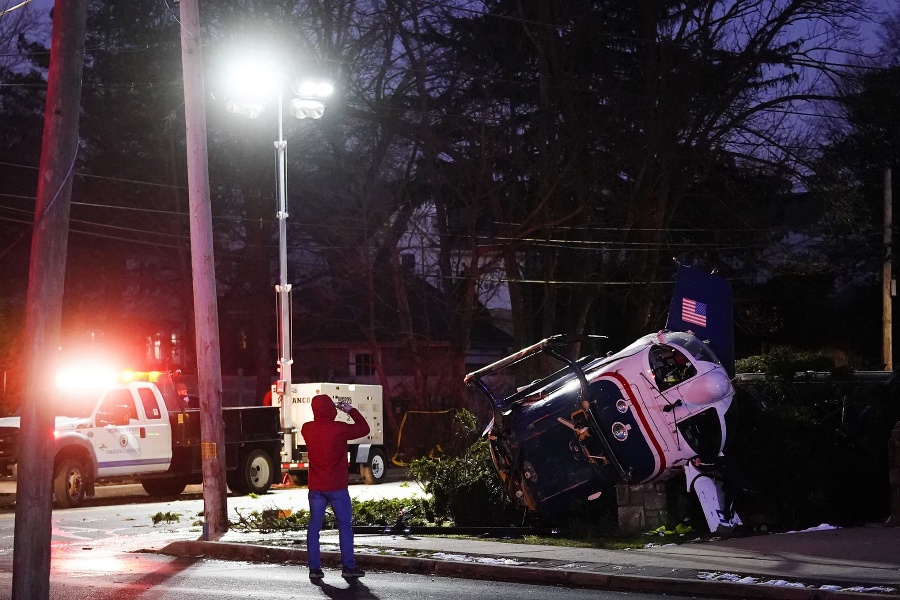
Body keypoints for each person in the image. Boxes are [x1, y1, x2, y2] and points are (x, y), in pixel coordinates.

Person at [301, 393, 370, 580]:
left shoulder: (307, 429)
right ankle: (348, 567)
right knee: (345, 527)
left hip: (316, 487)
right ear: (331, 409)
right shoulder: (339, 429)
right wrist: (349, 409)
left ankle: (314, 569)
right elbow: (364, 428)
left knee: (314, 528)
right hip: (337, 487)